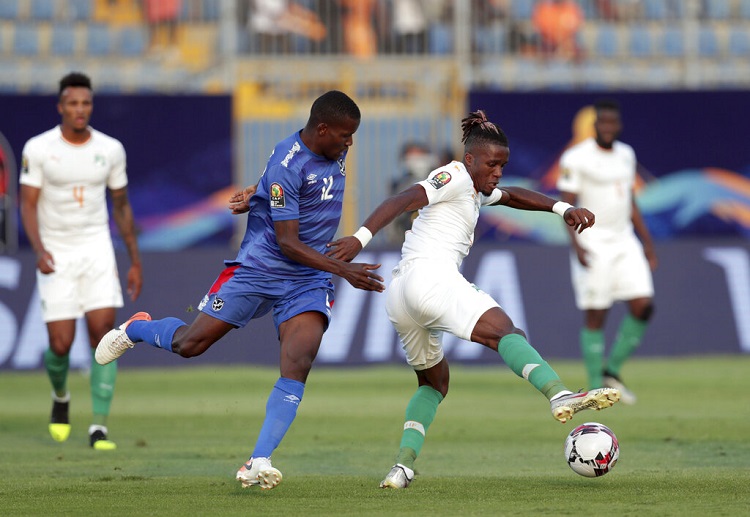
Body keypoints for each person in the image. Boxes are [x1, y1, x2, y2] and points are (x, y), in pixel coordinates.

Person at [95, 90, 385, 489]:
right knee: (190, 345)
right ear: (322, 129)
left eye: (352, 136)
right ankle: (137, 329)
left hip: (306, 279)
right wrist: (343, 269)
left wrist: (257, 192)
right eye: (344, 136)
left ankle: (258, 459)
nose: (349, 144)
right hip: (261, 268)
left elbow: (283, 186)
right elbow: (287, 242)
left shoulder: (328, 148)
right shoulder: (290, 161)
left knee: (299, 358)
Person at [326, 110, 621, 489]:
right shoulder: (453, 175)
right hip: (430, 278)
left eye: (503, 165)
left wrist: (562, 208)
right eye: (492, 164)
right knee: (505, 331)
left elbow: (514, 196)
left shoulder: (474, 187)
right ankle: (558, 394)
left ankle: (402, 466)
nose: (498, 172)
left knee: (434, 384)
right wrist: (359, 238)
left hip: (402, 297)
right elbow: (404, 199)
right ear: (470, 159)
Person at [19, 72, 143, 450]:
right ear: (60, 107)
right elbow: (28, 203)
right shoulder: (39, 148)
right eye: (72, 103)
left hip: (96, 249)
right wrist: (39, 249)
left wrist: (134, 260)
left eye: (85, 103)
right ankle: (61, 399)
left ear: (91, 106)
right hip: (56, 251)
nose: (79, 109)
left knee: (103, 334)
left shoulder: (110, 149)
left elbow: (121, 206)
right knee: (60, 342)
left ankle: (99, 427)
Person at [557, 99, 657, 405]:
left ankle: (611, 371)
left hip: (625, 239)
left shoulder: (626, 154)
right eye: (603, 123)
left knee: (643, 305)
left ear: (618, 125)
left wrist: (647, 241)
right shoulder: (576, 157)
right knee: (597, 313)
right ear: (595, 125)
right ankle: (593, 386)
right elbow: (566, 204)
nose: (608, 128)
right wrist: (576, 245)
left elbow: (629, 199)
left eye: (613, 123)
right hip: (592, 240)